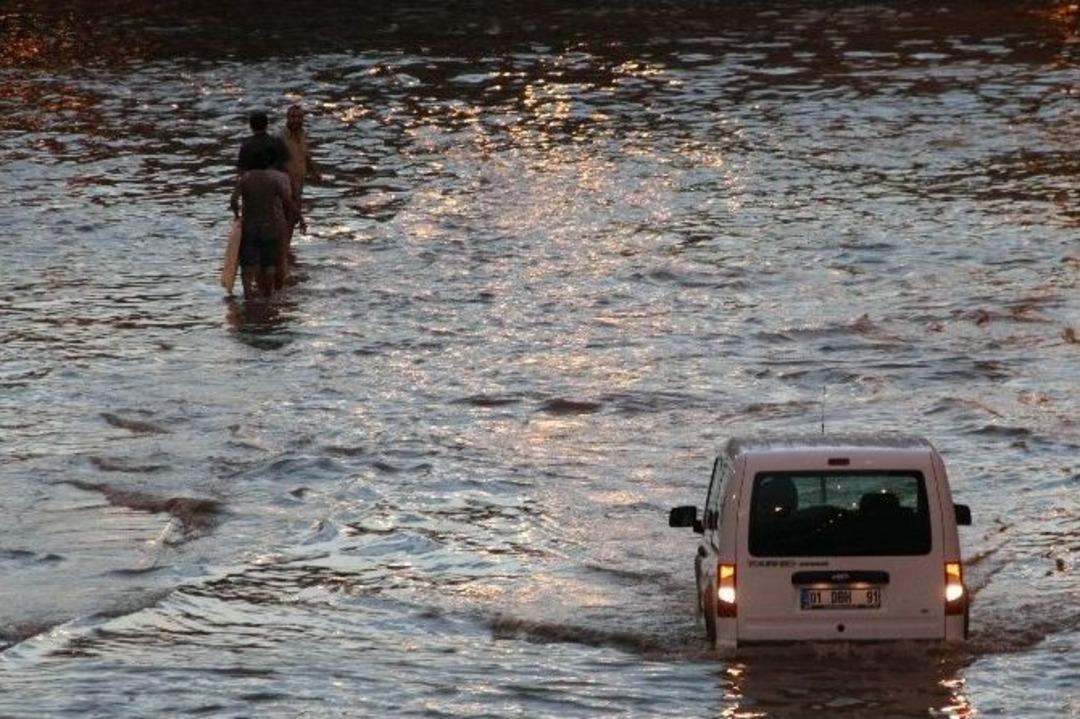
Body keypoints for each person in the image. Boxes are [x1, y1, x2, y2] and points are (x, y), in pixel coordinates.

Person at [230, 147, 298, 300]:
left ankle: (248, 296)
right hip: (270, 226)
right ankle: (268, 296)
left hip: (250, 227)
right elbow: (288, 201)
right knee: (269, 263)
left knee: (247, 264)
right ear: (267, 164)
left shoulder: (245, 179)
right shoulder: (272, 181)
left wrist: (237, 215)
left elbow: (234, 200)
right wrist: (300, 218)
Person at [278, 104, 320, 266]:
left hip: (299, 183)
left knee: (293, 218)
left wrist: (314, 172)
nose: (296, 120)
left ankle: (285, 249)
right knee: (287, 216)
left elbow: (306, 156)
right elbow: (276, 162)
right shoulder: (280, 137)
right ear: (287, 118)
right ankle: (282, 251)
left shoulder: (302, 135)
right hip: (285, 185)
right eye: (293, 117)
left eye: (299, 117)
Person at [237, 110, 290, 174]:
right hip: (275, 180)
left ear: (251, 126)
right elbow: (287, 164)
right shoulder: (278, 142)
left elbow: (241, 170)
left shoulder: (246, 146)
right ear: (267, 125)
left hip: (254, 181)